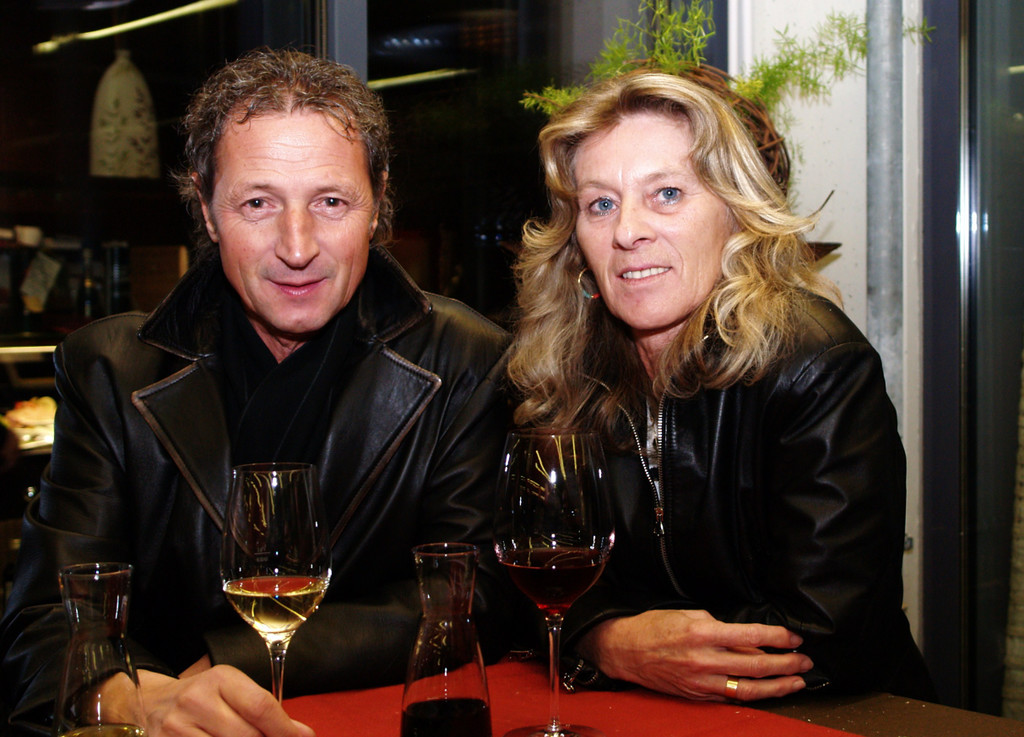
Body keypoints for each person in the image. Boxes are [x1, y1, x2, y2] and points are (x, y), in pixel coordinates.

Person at [0, 48, 512, 736]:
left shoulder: (466, 361)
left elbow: (473, 597)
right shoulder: (109, 370)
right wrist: (144, 702)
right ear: (207, 209)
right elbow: (49, 619)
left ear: (377, 203)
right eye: (257, 203)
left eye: (331, 202)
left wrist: (226, 660)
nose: (297, 247)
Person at [506, 69, 934, 703]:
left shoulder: (816, 364)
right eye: (600, 204)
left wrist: (625, 640)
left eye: (667, 193)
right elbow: (517, 576)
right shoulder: (562, 370)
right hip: (639, 708)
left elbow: (827, 629)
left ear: (735, 214)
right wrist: (608, 641)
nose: (627, 231)